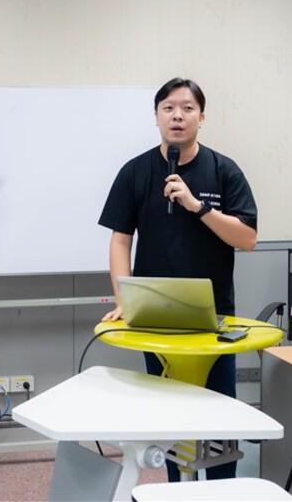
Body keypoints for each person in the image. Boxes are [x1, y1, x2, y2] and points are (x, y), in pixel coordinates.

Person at [98, 76, 257, 482]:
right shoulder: (135, 172)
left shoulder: (224, 170)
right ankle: (176, 487)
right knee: (168, 414)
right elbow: (120, 241)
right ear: (156, 117)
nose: (177, 116)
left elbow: (247, 239)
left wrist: (196, 206)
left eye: (187, 108)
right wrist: (124, 299)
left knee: (219, 416)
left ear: (202, 118)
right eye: (168, 108)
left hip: (214, 321)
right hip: (155, 319)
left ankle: (221, 489)